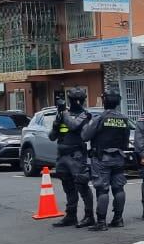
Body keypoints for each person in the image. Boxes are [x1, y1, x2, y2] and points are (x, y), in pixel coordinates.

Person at [81, 91, 133, 232]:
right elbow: (126, 141)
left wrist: (87, 123)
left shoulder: (100, 118)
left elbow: (85, 136)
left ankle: (101, 222)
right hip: (119, 158)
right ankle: (118, 219)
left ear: (104, 102)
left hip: (102, 158)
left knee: (102, 190)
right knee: (119, 188)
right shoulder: (124, 119)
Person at [48, 88, 95, 229]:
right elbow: (52, 136)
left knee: (82, 185)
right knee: (68, 186)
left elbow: (74, 126)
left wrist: (63, 113)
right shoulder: (63, 114)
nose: (73, 102)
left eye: (75, 99)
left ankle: (89, 216)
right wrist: (56, 123)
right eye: (71, 99)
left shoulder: (85, 115)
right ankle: (71, 215)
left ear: (80, 101)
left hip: (76, 155)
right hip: (62, 155)